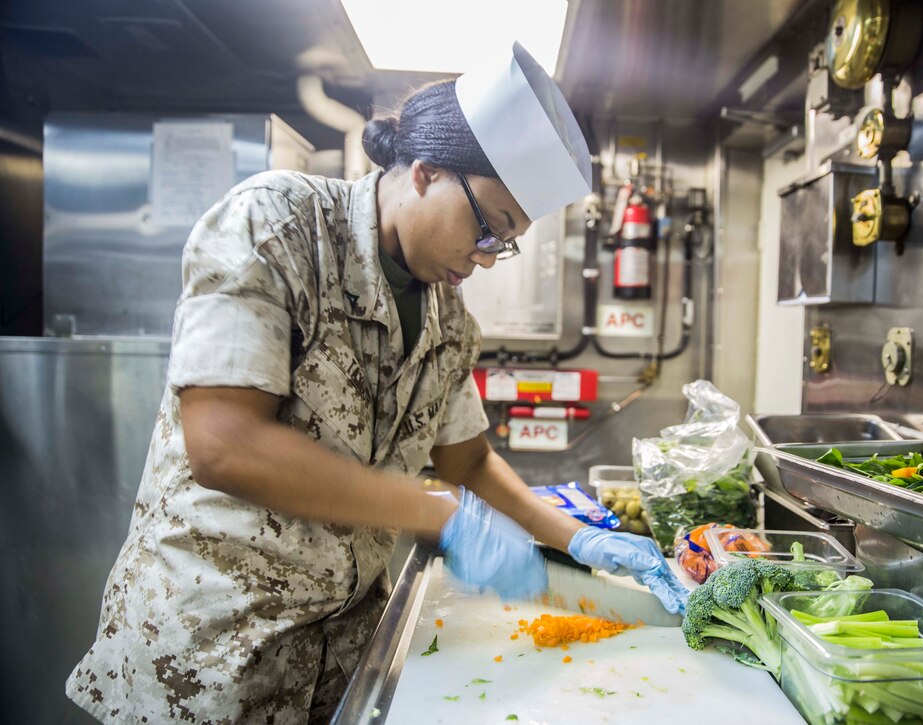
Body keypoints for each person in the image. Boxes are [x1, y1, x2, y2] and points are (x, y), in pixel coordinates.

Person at [66, 42, 688, 723]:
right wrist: (435, 514)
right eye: (489, 228)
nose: (486, 259)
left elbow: (467, 458)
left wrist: (575, 538)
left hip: (340, 664)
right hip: (211, 662)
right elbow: (223, 442)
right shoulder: (280, 225)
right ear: (425, 172)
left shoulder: (449, 320)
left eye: (505, 243)